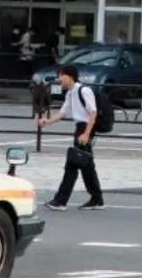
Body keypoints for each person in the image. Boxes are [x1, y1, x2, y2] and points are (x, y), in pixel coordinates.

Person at [38, 63, 105, 210]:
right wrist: (47, 122)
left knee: (72, 165)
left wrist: (87, 134)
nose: (59, 79)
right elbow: (63, 113)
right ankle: (97, 199)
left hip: (85, 128)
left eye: (61, 75)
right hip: (80, 129)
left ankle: (61, 201)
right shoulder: (70, 93)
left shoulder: (84, 90)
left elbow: (93, 112)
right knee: (86, 166)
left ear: (70, 76)